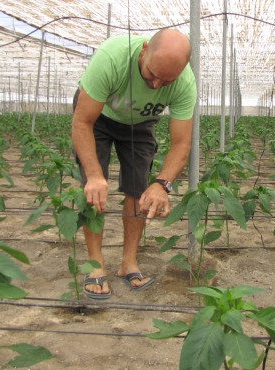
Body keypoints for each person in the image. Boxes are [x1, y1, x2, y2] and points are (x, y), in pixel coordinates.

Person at [71, 29, 197, 299]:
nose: (155, 86)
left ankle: (128, 263)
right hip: (99, 118)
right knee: (94, 190)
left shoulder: (185, 83)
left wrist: (162, 184)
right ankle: (96, 265)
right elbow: (82, 123)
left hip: (139, 123)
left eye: (166, 81)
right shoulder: (112, 58)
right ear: (143, 50)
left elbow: (181, 144)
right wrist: (94, 175)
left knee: (140, 189)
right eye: (152, 74)